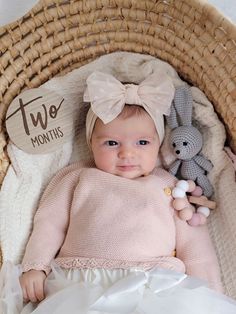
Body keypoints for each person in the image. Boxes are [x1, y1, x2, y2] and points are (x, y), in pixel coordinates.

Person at [1, 71, 236, 314]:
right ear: (91, 143)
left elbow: (195, 246)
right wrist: (35, 266)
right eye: (112, 143)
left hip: (153, 286)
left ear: (158, 144)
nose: (127, 153)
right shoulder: (78, 177)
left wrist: (209, 295)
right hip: (82, 284)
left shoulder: (168, 185)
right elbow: (49, 223)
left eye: (142, 143)